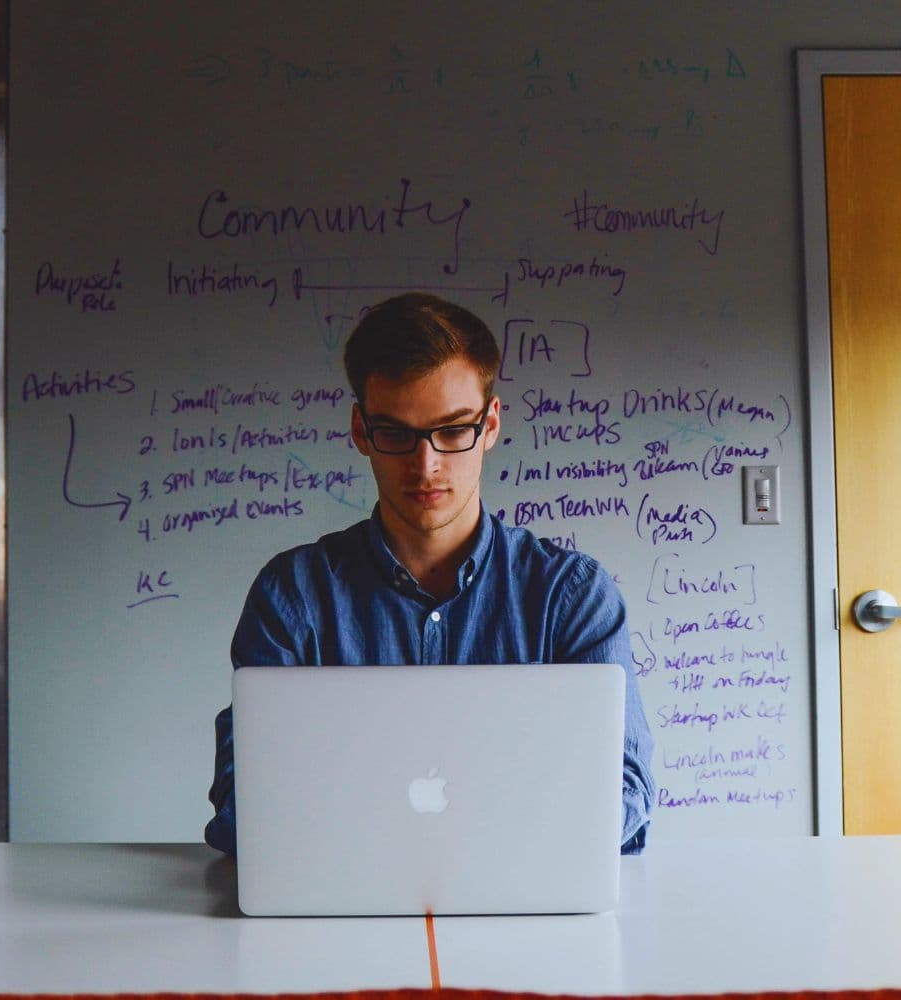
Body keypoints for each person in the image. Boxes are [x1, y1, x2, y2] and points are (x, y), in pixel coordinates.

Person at [203, 292, 656, 854]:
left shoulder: (573, 597)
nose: (426, 465)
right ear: (361, 431)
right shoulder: (291, 596)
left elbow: (626, 792)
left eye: (452, 430)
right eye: (396, 434)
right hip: (335, 918)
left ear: (489, 424)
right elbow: (243, 805)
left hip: (529, 912)